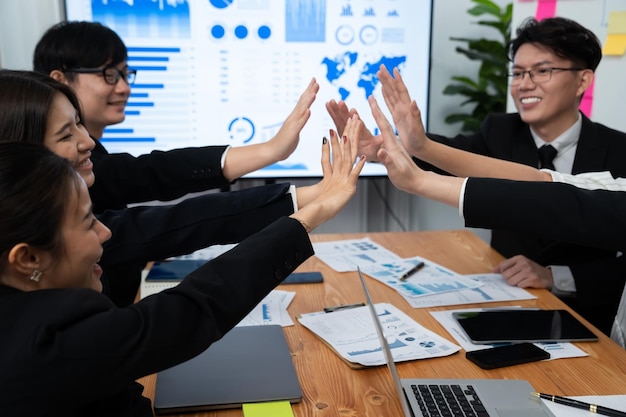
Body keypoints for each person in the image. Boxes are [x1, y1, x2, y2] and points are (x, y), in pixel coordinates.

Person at [0, 127, 364, 415]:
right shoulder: (47, 343)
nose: (106, 232)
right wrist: (307, 219)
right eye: (87, 222)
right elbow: (190, 310)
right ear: (27, 259)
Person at [327, 17, 626, 335]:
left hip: (590, 317)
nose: (525, 84)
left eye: (542, 71)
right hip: (511, 301)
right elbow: (502, 171)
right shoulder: (500, 130)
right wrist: (398, 149)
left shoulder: (618, 149)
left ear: (582, 81)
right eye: (519, 73)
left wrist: (558, 275)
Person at [0, 69, 331, 307]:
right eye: (66, 134)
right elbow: (165, 224)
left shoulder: (85, 171)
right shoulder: (44, 240)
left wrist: (272, 153)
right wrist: (307, 200)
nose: (87, 142)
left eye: (79, 125)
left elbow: (151, 174)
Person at [33, 20, 319, 212]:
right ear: (60, 80)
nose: (124, 87)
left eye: (125, 73)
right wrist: (271, 151)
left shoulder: (95, 154)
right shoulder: (61, 167)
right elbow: (151, 174)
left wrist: (273, 151)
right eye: (109, 74)